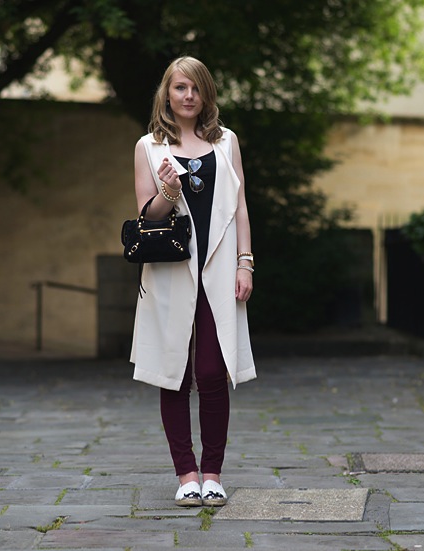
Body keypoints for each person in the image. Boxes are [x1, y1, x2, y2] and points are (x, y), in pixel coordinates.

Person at [130, 56, 257, 507]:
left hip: (220, 269)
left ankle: (213, 472)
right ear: (167, 92)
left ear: (206, 95)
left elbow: (239, 208)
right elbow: (149, 217)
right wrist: (168, 191)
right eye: (180, 88)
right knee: (174, 372)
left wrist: (246, 262)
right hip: (170, 272)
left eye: (196, 89)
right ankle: (186, 474)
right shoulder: (149, 146)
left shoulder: (226, 142)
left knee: (212, 370)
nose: (188, 96)